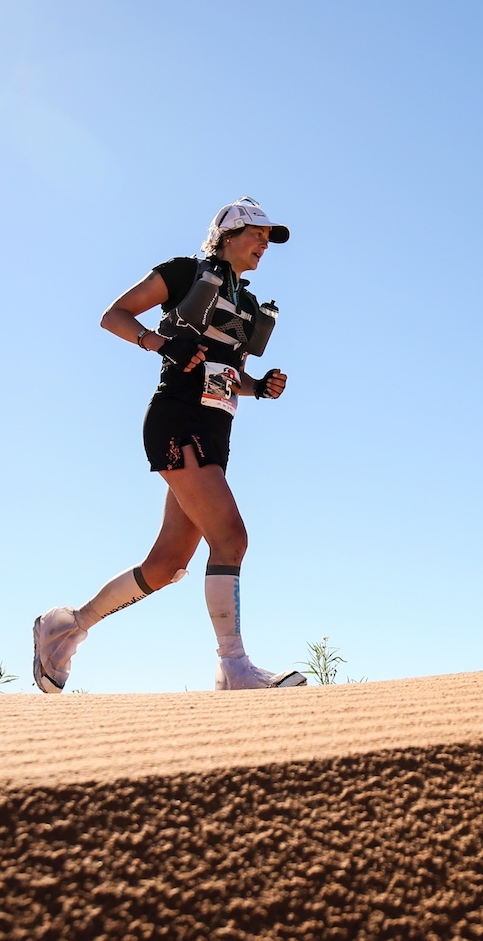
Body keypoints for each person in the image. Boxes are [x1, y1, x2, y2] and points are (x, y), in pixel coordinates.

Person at [31, 198, 307, 693]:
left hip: (215, 432)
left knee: (166, 566)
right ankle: (234, 667)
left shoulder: (243, 302)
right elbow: (113, 316)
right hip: (178, 422)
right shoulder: (183, 272)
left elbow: (226, 375)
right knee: (232, 538)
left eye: (269, 239)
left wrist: (258, 385)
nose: (265, 245)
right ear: (228, 233)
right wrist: (160, 343)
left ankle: (66, 629)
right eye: (257, 234)